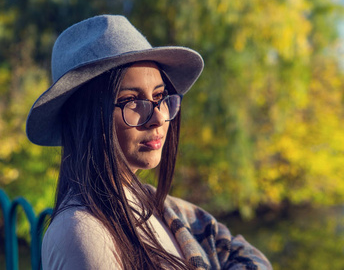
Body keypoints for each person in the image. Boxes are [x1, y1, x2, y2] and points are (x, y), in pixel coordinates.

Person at [26, 15, 272, 270]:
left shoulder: (153, 203)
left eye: (159, 97)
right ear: (85, 118)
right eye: (131, 101)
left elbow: (238, 252)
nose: (158, 118)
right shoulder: (83, 234)